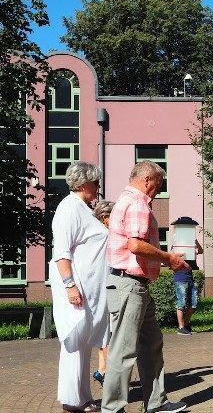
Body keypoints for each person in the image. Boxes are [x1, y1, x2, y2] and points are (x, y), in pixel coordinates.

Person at [102, 160, 190, 413]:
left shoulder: (126, 200)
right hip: (130, 285)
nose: (159, 191)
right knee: (124, 350)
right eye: (159, 184)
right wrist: (168, 258)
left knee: (151, 343)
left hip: (134, 285)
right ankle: (113, 409)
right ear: (147, 179)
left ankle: (156, 403)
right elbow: (136, 245)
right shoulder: (138, 203)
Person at [49, 161, 109, 412]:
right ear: (84, 183)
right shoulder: (69, 208)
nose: (98, 188)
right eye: (96, 183)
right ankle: (72, 400)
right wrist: (70, 286)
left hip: (87, 288)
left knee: (82, 343)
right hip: (76, 287)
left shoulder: (83, 208)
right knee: (74, 341)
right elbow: (62, 252)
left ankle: (82, 397)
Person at [91, 200, 115, 387]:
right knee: (107, 331)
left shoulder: (93, 235)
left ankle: (101, 370)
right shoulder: (106, 235)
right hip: (107, 285)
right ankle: (106, 372)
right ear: (105, 218)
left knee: (103, 331)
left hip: (99, 286)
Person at [173, 240, 203, 335]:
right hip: (180, 279)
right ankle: (181, 327)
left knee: (194, 304)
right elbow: (170, 257)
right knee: (181, 303)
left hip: (190, 279)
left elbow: (200, 251)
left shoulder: (190, 250)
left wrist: (194, 241)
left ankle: (186, 325)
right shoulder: (176, 248)